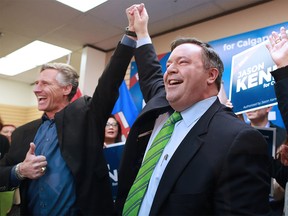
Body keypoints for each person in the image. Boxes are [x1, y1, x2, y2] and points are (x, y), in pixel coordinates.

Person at [115, 4, 271, 215]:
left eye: (182, 62)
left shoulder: (238, 139)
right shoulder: (162, 107)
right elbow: (150, 72)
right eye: (168, 64)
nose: (170, 69)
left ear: (211, 75)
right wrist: (141, 32)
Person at [0, 25, 137, 214]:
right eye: (36, 83)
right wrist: (20, 171)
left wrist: (131, 35)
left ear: (66, 89)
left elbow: (109, 82)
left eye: (45, 83)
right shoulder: (22, 133)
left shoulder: (87, 117)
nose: (36, 89)